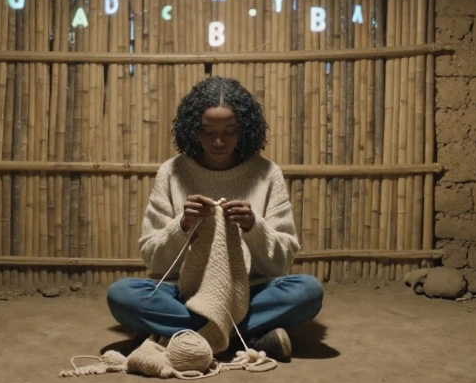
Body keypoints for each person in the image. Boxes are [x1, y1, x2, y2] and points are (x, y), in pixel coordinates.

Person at [106, 76, 323, 361]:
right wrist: (182, 226)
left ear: (244, 129)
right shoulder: (172, 172)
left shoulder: (267, 173)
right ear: (192, 130)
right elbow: (152, 257)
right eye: (207, 132)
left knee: (307, 292)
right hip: (181, 293)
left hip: (248, 291)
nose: (218, 141)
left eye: (229, 131)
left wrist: (252, 226)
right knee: (122, 294)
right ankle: (247, 338)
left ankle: (179, 334)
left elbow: (282, 261)